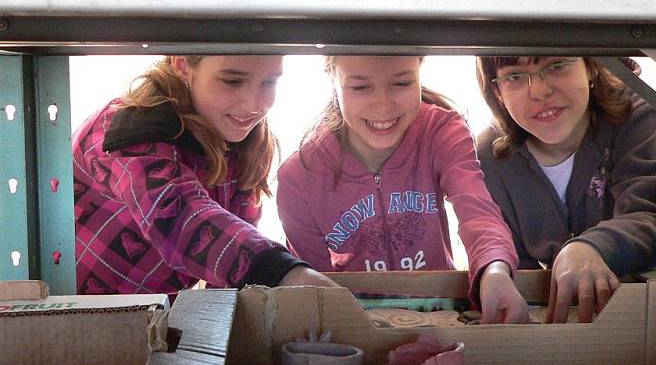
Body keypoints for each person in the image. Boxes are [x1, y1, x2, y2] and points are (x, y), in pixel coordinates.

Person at [276, 56, 528, 324]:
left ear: (420, 70)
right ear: (332, 78)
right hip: (358, 323)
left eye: (402, 83)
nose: (383, 105)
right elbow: (315, 286)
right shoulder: (298, 177)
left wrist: (495, 269)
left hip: (442, 315)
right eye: (360, 88)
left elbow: (477, 212)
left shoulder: (442, 132)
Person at [73, 55, 336, 297]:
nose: (254, 105)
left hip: (157, 319)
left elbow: (230, 259)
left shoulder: (245, 139)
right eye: (232, 81)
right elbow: (179, 219)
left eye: (269, 82)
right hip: (75, 318)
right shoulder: (127, 129)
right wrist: (283, 272)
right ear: (182, 64)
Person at [475, 56, 656, 323]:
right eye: (514, 76)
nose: (539, 91)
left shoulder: (636, 119)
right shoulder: (491, 157)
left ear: (591, 66)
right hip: (558, 326)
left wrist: (593, 247)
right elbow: (514, 264)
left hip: (641, 311)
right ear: (497, 92)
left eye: (557, 66)